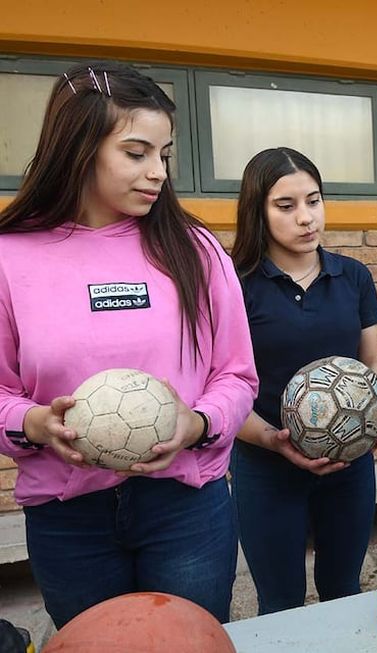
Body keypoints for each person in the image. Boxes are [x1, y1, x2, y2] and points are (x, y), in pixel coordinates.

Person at [0, 61, 258, 627]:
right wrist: (36, 423)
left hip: (186, 508)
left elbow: (236, 375)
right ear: (78, 147)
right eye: (136, 153)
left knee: (189, 640)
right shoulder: (9, 258)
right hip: (68, 518)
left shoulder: (194, 249)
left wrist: (197, 424)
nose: (158, 172)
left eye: (164, 155)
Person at [229, 147, 377, 615]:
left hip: (348, 464)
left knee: (343, 591)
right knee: (280, 600)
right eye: (286, 206)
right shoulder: (235, 284)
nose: (306, 218)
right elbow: (220, 387)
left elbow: (373, 361)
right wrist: (274, 441)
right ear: (258, 212)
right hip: (265, 467)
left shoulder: (353, 277)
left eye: (314, 200)